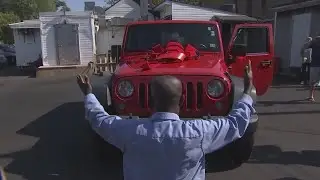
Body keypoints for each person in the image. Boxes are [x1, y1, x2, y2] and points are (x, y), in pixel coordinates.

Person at [77, 61, 255, 180]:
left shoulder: (130, 131)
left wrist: (88, 94)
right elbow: (235, 124)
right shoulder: (199, 132)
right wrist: (246, 92)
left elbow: (99, 120)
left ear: (151, 102)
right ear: (182, 101)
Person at [306, 33, 320, 102]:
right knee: (313, 81)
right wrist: (311, 41)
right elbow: (305, 47)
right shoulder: (314, 43)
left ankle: (311, 96)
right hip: (314, 65)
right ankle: (311, 96)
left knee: (314, 81)